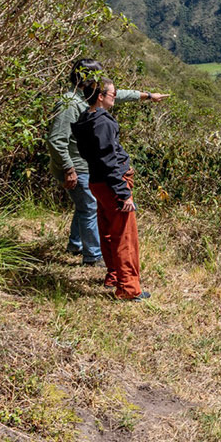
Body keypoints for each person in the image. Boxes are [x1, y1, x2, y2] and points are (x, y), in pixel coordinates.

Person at [45, 59, 167, 266]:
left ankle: (76, 244)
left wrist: (147, 96)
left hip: (86, 165)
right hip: (77, 166)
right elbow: (56, 140)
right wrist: (68, 168)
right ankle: (92, 256)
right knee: (89, 207)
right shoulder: (69, 103)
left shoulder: (87, 97)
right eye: (99, 77)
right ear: (87, 79)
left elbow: (116, 95)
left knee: (85, 205)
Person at [72, 78, 149, 301]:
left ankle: (114, 276)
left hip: (97, 182)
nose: (114, 97)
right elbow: (109, 159)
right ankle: (128, 288)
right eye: (112, 94)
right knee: (125, 236)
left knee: (107, 231)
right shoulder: (103, 123)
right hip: (112, 183)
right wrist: (123, 192)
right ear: (100, 96)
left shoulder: (85, 119)